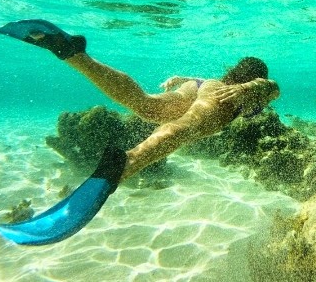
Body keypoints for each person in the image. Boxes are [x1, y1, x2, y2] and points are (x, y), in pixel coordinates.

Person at [27, 22, 281, 180]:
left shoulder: (219, 83)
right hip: (214, 92)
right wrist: (247, 87)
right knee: (186, 128)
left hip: (198, 86)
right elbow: (273, 87)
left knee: (146, 106)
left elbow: (208, 84)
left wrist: (185, 79)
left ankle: (74, 54)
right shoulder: (250, 91)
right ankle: (127, 163)